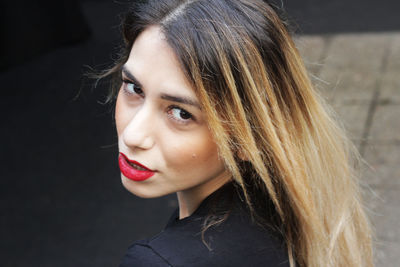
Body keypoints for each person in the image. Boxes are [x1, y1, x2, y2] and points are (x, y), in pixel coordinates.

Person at [100, 0, 373, 266]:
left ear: (249, 136)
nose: (133, 135)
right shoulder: (296, 209)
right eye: (134, 88)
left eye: (182, 113)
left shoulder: (162, 260)